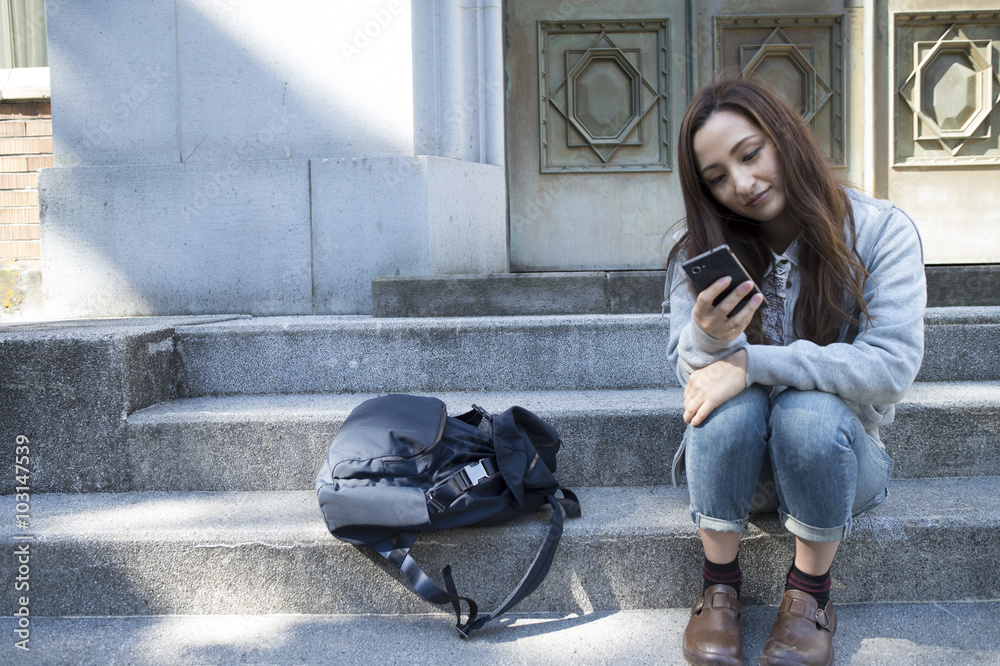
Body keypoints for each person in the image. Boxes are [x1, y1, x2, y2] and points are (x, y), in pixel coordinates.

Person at [664, 77, 926, 665]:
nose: (743, 185)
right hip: (736, 471)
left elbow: (889, 369)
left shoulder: (881, 231)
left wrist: (752, 361)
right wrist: (709, 337)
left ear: (784, 137)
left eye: (751, 154)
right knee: (728, 404)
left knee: (806, 412)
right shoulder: (700, 252)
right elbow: (695, 381)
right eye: (717, 178)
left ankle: (810, 596)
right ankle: (719, 587)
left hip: (840, 461)